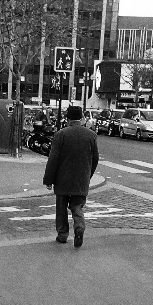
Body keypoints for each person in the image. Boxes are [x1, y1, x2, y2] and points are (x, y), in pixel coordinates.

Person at [42, 105, 99, 248]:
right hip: (81, 178)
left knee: (61, 208)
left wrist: (48, 179)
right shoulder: (91, 135)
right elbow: (95, 159)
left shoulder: (61, 134)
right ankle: (79, 226)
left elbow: (53, 159)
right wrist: (88, 175)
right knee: (77, 205)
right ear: (81, 118)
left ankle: (62, 234)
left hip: (62, 178)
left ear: (67, 118)